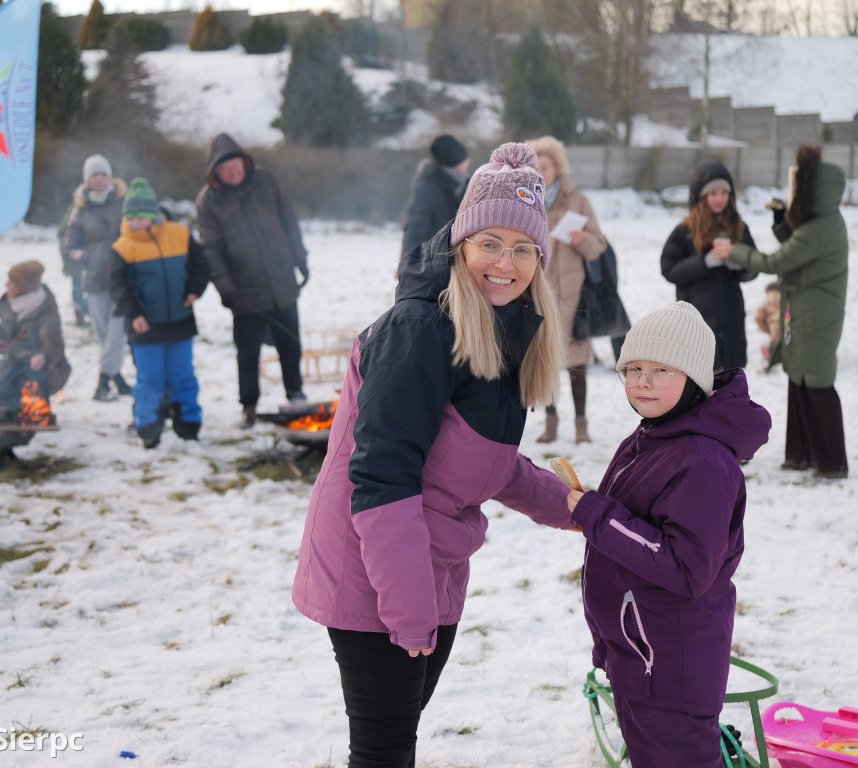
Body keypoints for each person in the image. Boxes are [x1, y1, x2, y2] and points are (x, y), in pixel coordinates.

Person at [292, 143, 577, 768]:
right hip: (376, 569)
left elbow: (490, 463)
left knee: (397, 737)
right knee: (385, 750)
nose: (506, 263)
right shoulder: (420, 328)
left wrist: (579, 508)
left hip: (431, 564)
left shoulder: (502, 326)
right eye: (490, 244)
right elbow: (382, 477)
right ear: (460, 244)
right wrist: (409, 608)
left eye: (523, 249)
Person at [565, 301, 771, 768]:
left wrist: (598, 515)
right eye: (632, 368)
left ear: (695, 377)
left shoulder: (701, 460)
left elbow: (686, 567)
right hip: (641, 656)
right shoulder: (655, 434)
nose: (643, 381)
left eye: (661, 369)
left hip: (669, 669)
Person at [711, 145, 849, 479]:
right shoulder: (819, 223)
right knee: (799, 378)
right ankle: (800, 455)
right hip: (804, 310)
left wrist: (734, 250)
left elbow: (777, 261)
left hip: (816, 314)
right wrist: (779, 222)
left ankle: (831, 463)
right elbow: (794, 245)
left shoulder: (820, 229)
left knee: (816, 383)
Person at [195, 132, 309, 429]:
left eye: (237, 166)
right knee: (247, 351)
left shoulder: (265, 181)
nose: (234, 173)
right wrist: (227, 291)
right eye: (226, 170)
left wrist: (300, 259)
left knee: (291, 342)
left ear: (245, 163)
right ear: (215, 174)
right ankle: (249, 405)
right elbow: (212, 251)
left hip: (281, 280)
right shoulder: (209, 202)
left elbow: (289, 220)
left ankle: (295, 392)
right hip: (244, 291)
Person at [111, 178, 209, 449]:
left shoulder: (179, 234)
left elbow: (202, 264)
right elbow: (119, 287)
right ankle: (148, 428)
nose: (134, 222)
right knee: (149, 379)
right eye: (130, 217)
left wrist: (194, 290)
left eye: (140, 216)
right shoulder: (122, 247)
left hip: (180, 321)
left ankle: (188, 425)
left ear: (152, 215)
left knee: (183, 376)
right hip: (145, 326)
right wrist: (134, 315)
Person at [526, 135, 609, 444]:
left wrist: (580, 239)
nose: (540, 173)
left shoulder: (578, 201)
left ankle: (581, 424)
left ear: (558, 168)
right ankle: (550, 422)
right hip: (540, 297)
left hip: (577, 299)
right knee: (545, 362)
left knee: (577, 365)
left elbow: (598, 246)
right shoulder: (527, 202)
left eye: (545, 167)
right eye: (534, 168)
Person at [660, 159, 758, 372]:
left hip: (732, 321)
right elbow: (668, 269)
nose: (719, 199)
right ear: (701, 197)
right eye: (713, 194)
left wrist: (738, 261)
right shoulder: (685, 230)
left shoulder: (739, 227)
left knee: (731, 388)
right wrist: (704, 262)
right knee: (702, 387)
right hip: (696, 322)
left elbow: (753, 269)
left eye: (724, 193)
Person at [62, 154, 133, 401]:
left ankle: (102, 383)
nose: (100, 179)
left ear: (110, 177)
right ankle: (118, 378)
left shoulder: (124, 204)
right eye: (95, 175)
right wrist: (87, 256)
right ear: (87, 179)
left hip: (122, 278)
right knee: (104, 335)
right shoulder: (79, 211)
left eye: (103, 174)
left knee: (116, 332)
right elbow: (69, 247)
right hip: (94, 281)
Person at [0, 261, 71, 413]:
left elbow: (54, 346)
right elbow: (3, 337)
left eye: (11, 282)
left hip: (41, 367)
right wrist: (2, 344)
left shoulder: (46, 310)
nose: (6, 285)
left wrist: (43, 355)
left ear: (21, 287)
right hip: (15, 362)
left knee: (27, 379)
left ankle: (36, 411)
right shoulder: (8, 305)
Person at [400, 133, 470, 260]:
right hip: (433, 260)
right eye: (464, 158)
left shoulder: (464, 183)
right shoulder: (428, 185)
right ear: (455, 160)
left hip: (457, 258)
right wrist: (407, 261)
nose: (468, 161)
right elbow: (415, 226)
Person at [754, 279, 783, 366]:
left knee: (773, 344)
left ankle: (770, 360)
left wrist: (766, 329)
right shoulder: (786, 296)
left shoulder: (767, 300)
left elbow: (757, 316)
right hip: (786, 327)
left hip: (773, 330)